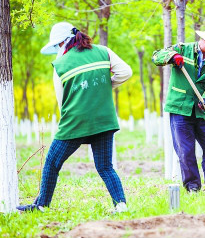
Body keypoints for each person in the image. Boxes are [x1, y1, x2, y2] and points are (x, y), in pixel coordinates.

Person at [17, 22, 132, 213]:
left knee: (52, 163)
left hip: (75, 122)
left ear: (62, 43)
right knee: (105, 166)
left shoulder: (60, 65)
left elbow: (63, 102)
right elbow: (126, 72)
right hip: (104, 120)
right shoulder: (104, 51)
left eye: (56, 46)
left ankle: (41, 206)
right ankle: (121, 206)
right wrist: (103, 89)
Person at [152, 23, 205, 193]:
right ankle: (192, 186)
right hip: (180, 109)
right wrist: (171, 57)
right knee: (186, 152)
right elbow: (156, 56)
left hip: (202, 112)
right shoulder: (182, 49)